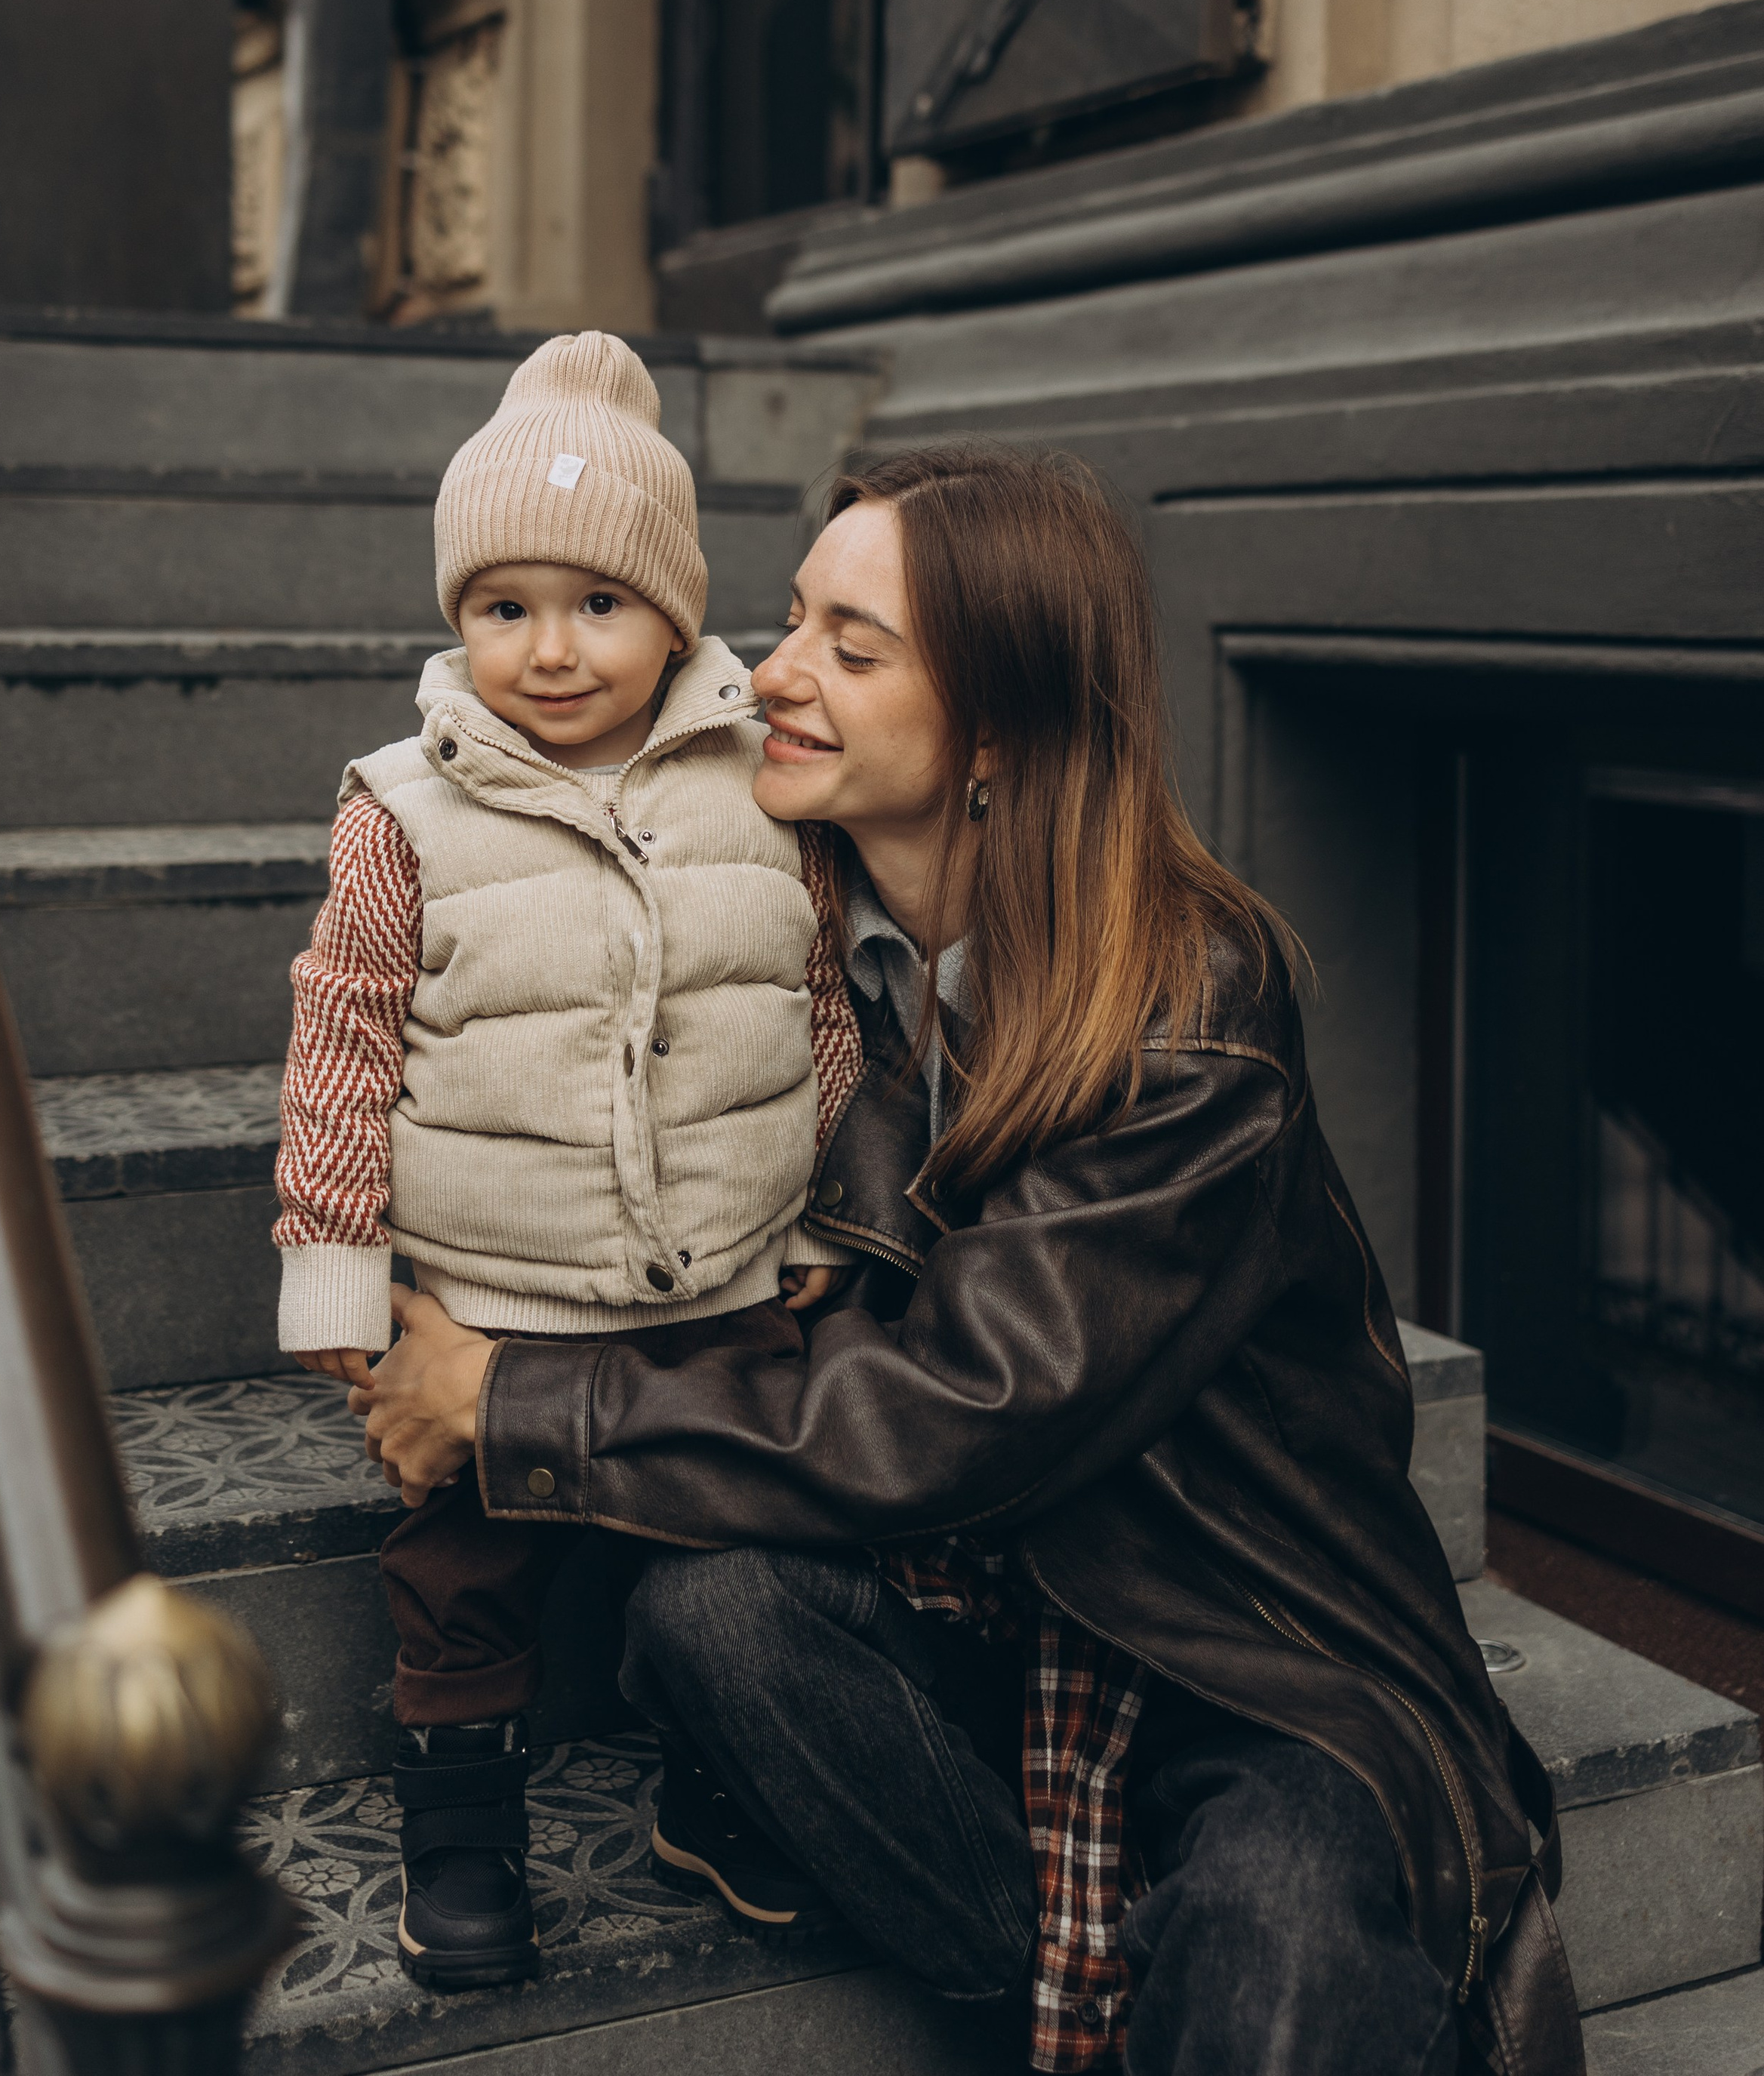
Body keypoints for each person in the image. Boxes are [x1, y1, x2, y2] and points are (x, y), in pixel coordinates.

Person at [344, 444, 1584, 2076]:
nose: (773, 673)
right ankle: (1050, 1972)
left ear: (996, 732)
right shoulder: (772, 946)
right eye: (791, 620)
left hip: (1240, 1648)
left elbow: (963, 1406)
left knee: (1278, 1942)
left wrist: (510, 1407)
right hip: (976, 1610)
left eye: (852, 653)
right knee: (706, 1615)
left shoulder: (1188, 1011)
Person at [272, 330, 856, 1991]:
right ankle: (462, 1832)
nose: (547, 650)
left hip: (723, 1278)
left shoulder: (769, 782)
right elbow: (344, 1034)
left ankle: (714, 1788)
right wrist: (338, 1260)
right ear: (456, 619)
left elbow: (812, 1000)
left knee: (731, 1558)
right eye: (501, 606)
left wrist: (822, 1200)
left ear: (676, 612)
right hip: (493, 1289)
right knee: (463, 1577)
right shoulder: (402, 806)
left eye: (597, 605)